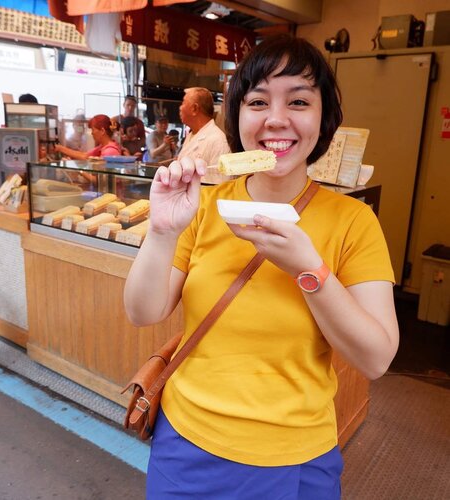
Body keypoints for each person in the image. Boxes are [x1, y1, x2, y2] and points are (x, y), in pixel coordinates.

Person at [124, 34, 399, 499]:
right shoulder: (205, 205)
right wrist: (163, 230)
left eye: (298, 100)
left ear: (322, 117)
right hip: (186, 445)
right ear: (238, 116)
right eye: (257, 101)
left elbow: (376, 357)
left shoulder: (354, 221)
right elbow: (142, 311)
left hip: (295, 457)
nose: (276, 119)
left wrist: (307, 269)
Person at [177, 86, 230, 166]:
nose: (180, 108)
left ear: (194, 109)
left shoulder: (218, 142)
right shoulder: (191, 135)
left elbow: (220, 178)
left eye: (183, 103)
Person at [55, 114, 122, 160]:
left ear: (102, 131)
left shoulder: (109, 151)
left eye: (93, 130)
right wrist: (60, 148)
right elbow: (85, 155)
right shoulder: (102, 147)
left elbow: (96, 178)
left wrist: (79, 171)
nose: (92, 133)